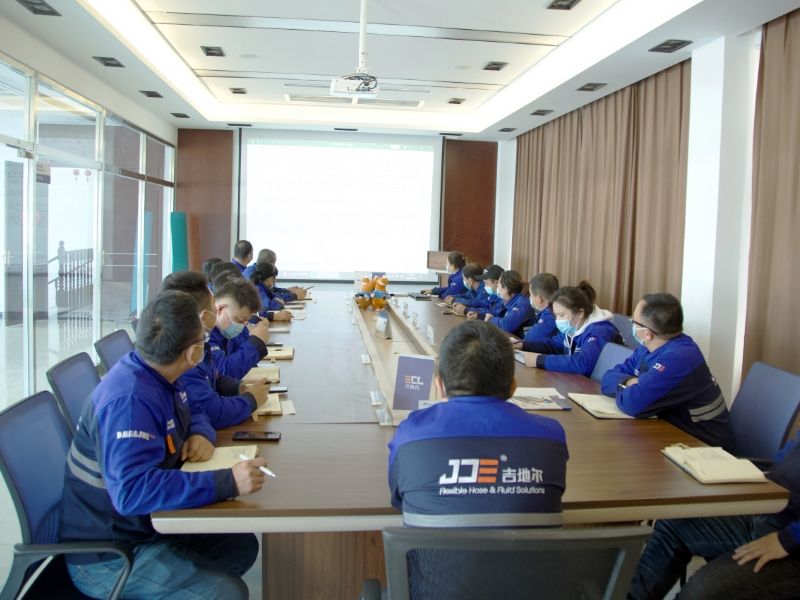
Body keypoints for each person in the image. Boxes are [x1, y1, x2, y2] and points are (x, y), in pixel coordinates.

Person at [58, 291, 268, 600]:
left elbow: (195, 408)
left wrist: (200, 433)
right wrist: (228, 481)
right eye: (202, 338)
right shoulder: (129, 402)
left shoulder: (158, 369)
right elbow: (132, 492)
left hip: (142, 524)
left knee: (240, 546)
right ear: (192, 353)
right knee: (226, 593)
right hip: (111, 553)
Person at [388, 320, 568, 527]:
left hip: (432, 549)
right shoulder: (551, 435)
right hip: (530, 549)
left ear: (440, 386)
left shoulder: (410, 434)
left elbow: (400, 499)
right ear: (513, 386)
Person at [628, 430, 800, 599]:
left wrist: (787, 540)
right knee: (674, 525)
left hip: (790, 542)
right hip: (772, 511)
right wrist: (768, 475)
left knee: (699, 592)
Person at [601, 293, 735, 450]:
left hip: (704, 448)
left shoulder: (680, 357)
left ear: (647, 333)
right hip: (671, 437)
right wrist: (630, 382)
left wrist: (634, 387)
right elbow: (608, 377)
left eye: (633, 322)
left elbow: (633, 404)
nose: (632, 325)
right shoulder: (647, 348)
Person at [168, 276, 270, 429]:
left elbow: (213, 376)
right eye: (213, 307)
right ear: (204, 316)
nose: (215, 310)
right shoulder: (186, 353)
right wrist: (251, 400)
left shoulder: (199, 342)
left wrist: (238, 388)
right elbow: (211, 412)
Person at [516, 281, 622, 375]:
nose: (558, 320)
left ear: (580, 313)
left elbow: (583, 363)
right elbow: (554, 345)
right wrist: (522, 345)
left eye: (561, 315)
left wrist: (539, 360)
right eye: (556, 315)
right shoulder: (573, 325)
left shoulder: (600, 331)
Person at [482, 269, 536, 338]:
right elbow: (496, 312)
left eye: (499, 285)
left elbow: (507, 325)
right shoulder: (508, 301)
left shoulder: (523, 304)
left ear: (505, 289)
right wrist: (479, 315)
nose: (497, 287)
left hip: (524, 342)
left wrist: (491, 319)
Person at [520, 272, 559, 344]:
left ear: (539, 299)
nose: (529, 297)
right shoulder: (552, 310)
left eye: (531, 295)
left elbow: (529, 339)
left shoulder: (549, 315)